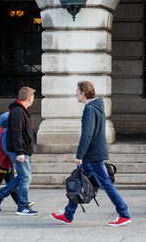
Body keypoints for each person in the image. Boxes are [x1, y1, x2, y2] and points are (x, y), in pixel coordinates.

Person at [51, 81, 132, 226]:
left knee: (106, 184)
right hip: (93, 154)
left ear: (83, 93)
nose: (75, 93)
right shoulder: (97, 107)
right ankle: (68, 214)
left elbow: (87, 135)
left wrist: (79, 155)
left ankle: (124, 213)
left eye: (77, 91)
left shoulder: (89, 109)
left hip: (92, 155)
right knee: (78, 181)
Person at [0, 86, 37, 217]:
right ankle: (21, 206)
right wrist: (19, 152)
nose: (33, 99)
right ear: (29, 98)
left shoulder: (22, 110)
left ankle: (0, 196)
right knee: (26, 177)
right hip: (20, 150)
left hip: (23, 149)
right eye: (33, 96)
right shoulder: (18, 111)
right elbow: (17, 133)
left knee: (24, 177)